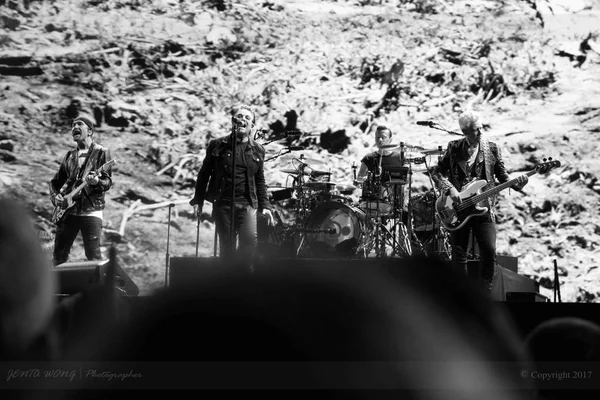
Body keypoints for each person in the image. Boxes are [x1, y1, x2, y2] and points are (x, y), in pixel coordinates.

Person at [430, 110, 527, 291]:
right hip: (458, 209)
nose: (480, 132)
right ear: (465, 131)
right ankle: (462, 294)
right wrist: (450, 189)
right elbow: (436, 172)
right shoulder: (453, 148)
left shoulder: (492, 148)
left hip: (484, 208)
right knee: (458, 255)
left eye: (480, 128)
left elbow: (503, 177)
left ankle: (485, 292)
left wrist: (517, 185)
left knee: (489, 251)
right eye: (475, 130)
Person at [190, 105, 274, 268]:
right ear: (233, 121)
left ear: (252, 126)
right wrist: (198, 200)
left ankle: (243, 280)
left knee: (249, 242)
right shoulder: (217, 145)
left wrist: (265, 205)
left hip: (247, 204)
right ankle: (227, 284)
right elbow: (204, 174)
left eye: (247, 118)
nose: (242, 119)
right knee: (227, 249)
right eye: (239, 116)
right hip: (223, 204)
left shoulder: (258, 150)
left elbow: (260, 180)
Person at [49, 115, 113, 266]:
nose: (74, 127)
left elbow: (107, 182)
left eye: (79, 124)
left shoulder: (101, 152)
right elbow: (54, 182)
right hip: (68, 211)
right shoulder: (69, 156)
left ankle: (105, 286)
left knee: (93, 254)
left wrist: (97, 181)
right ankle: (59, 288)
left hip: (91, 210)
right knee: (59, 254)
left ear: (90, 131)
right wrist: (56, 197)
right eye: (73, 125)